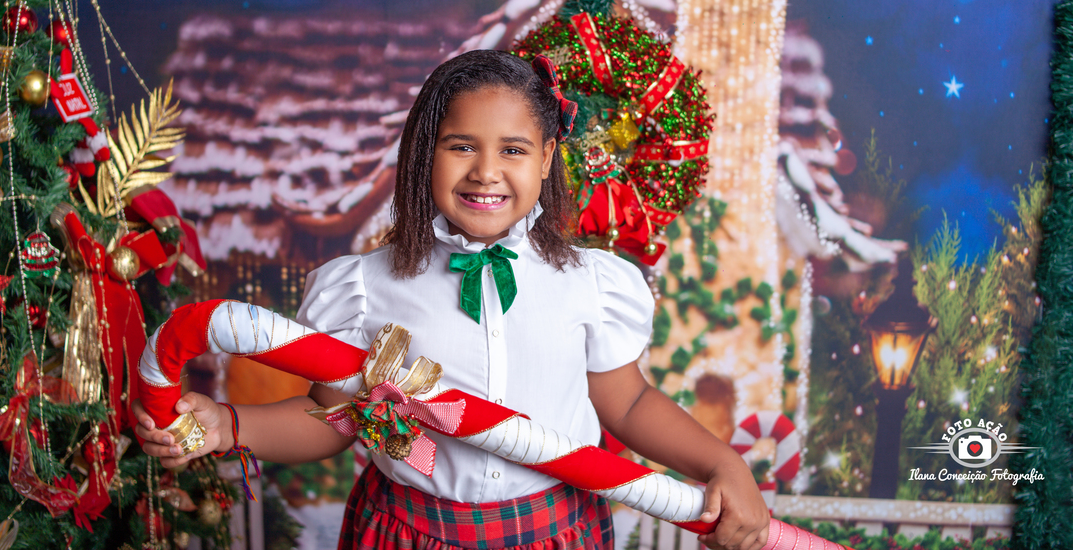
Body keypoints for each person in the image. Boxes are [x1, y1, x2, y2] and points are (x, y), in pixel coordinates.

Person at [133, 50, 769, 550]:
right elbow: (331, 421)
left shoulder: (588, 282)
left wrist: (724, 464)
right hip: (409, 532)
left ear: (548, 158)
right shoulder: (364, 288)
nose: (486, 171)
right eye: (461, 145)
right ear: (423, 154)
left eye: (513, 150)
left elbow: (626, 402)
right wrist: (228, 425)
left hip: (556, 531)